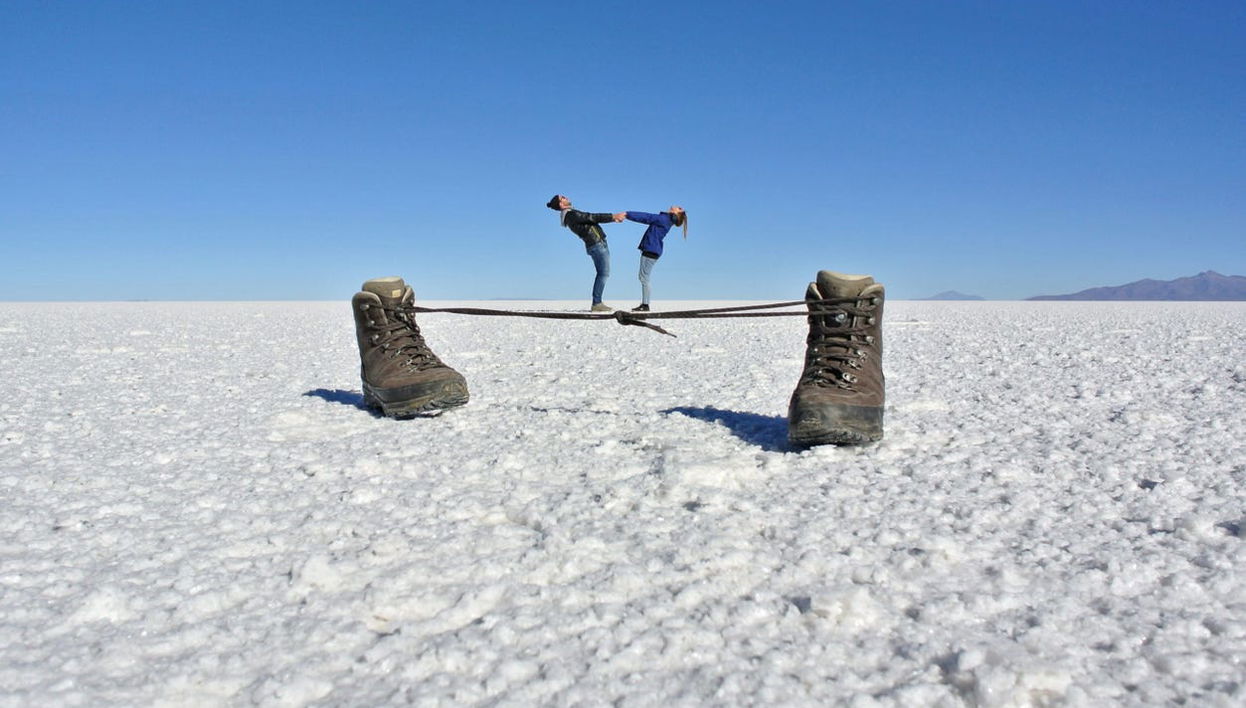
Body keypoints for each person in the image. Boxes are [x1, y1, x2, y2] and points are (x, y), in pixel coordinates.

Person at [547, 195, 624, 312]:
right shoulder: (571, 215)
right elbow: (592, 217)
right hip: (597, 244)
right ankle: (597, 303)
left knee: (603, 273)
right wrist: (613, 216)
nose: (566, 197)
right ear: (561, 204)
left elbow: (590, 219)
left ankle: (597, 302)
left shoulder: (570, 214)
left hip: (596, 244)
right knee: (603, 273)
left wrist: (613, 219)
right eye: (563, 197)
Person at [612, 206, 687, 311]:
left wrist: (627, 214)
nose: (676, 206)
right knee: (643, 277)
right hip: (652, 250)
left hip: (651, 250)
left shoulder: (664, 219)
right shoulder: (666, 219)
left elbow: (646, 217)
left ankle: (645, 305)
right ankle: (645, 304)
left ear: (678, 213)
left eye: (679, 208)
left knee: (644, 278)